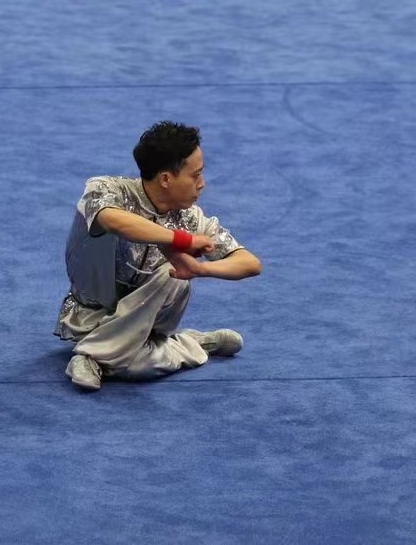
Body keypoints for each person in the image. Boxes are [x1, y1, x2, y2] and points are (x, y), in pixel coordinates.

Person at [55, 121, 263, 391]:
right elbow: (114, 221)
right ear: (166, 179)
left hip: (152, 322)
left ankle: (94, 357)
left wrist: (200, 270)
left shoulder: (191, 218)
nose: (202, 184)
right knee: (134, 366)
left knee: (173, 273)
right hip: (92, 317)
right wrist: (183, 240)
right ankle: (187, 345)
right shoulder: (105, 189)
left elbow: (250, 264)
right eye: (195, 175)